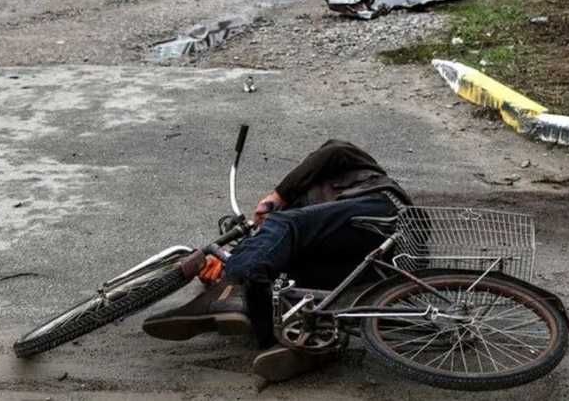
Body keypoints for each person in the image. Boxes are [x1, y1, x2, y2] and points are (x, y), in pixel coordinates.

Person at [141, 139, 411, 383]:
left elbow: (335, 150)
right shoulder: (306, 217)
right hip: (357, 259)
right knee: (281, 283)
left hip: (378, 214)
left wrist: (278, 195)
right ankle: (293, 340)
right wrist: (225, 265)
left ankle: (232, 290)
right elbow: (272, 251)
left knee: (281, 229)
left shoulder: (350, 166)